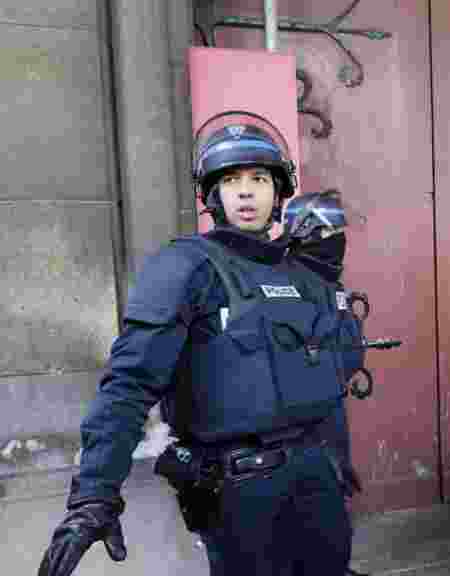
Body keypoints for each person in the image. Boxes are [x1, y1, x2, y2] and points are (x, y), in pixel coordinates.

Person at [38, 111, 355, 576]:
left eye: (259, 178)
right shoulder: (186, 267)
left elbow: (328, 384)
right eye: (231, 180)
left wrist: (339, 465)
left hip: (315, 481)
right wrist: (94, 493)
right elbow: (129, 382)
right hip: (237, 491)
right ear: (212, 195)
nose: (246, 190)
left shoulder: (303, 277)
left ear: (279, 190)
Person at [283, 188, 369, 576]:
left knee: (335, 500)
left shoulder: (326, 280)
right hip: (309, 417)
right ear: (310, 235)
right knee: (318, 504)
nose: (341, 241)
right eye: (333, 232)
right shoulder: (291, 281)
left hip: (332, 407)